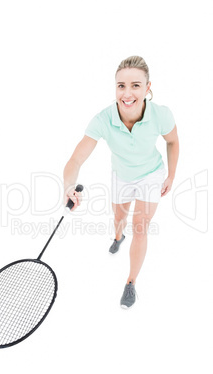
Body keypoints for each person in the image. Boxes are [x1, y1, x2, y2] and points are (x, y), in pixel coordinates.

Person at [63, 55, 179, 309]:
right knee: (119, 218)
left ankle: (131, 282)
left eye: (135, 85)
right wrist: (68, 186)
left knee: (141, 227)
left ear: (148, 88)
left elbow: (172, 141)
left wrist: (171, 174)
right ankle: (117, 236)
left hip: (151, 174)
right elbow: (75, 160)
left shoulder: (161, 114)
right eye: (121, 85)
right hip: (122, 175)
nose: (127, 93)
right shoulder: (103, 120)